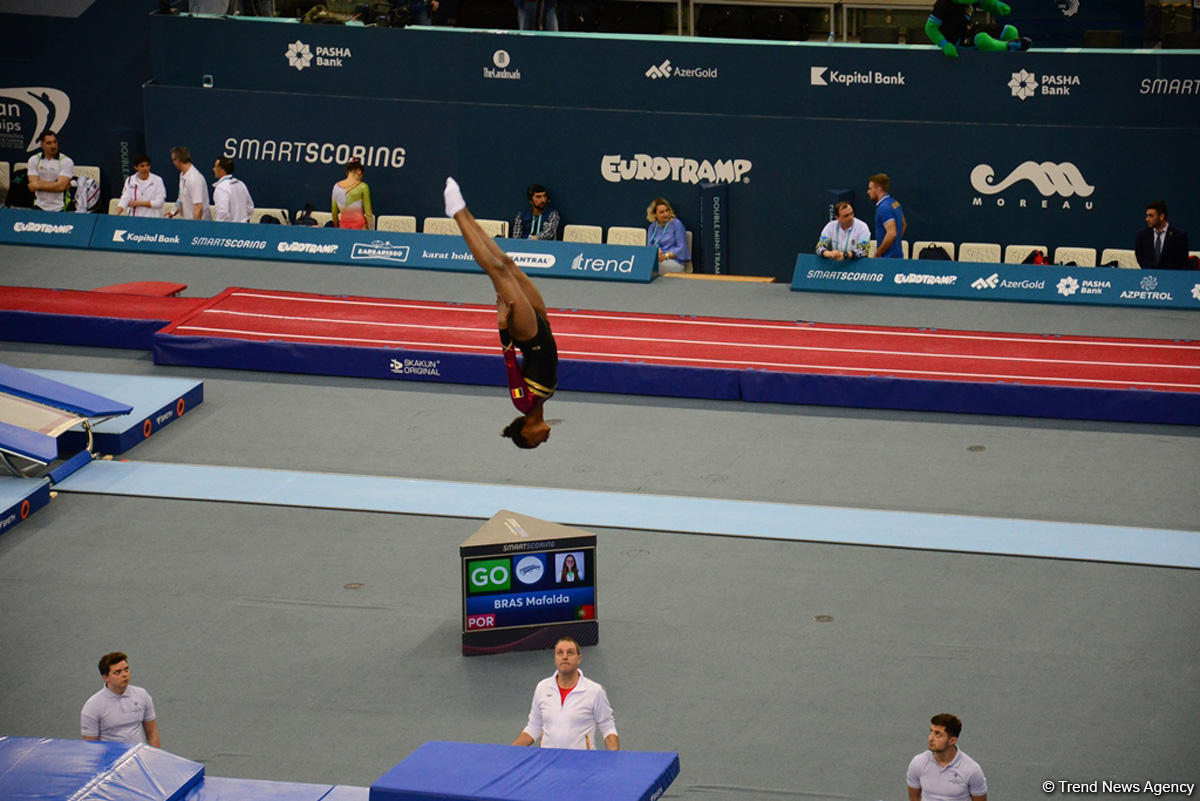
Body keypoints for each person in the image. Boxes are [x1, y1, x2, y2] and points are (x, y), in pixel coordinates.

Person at [444, 177, 557, 449]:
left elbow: (510, 364)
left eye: (536, 443)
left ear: (526, 434)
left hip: (527, 335)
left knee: (498, 270)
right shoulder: (541, 402)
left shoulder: (523, 402)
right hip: (543, 326)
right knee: (508, 263)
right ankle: (465, 211)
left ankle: (458, 215)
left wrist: (502, 325)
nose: (545, 440)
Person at [512, 636, 618, 750]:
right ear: (555, 658)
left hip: (582, 762)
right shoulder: (542, 688)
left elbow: (607, 726)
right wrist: (510, 752)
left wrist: (614, 761)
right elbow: (534, 726)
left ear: (579, 658)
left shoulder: (595, 691)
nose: (565, 657)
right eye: (560, 653)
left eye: (570, 653)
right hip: (548, 760)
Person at [80, 651, 161, 747]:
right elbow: (90, 747)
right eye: (117, 672)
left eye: (126, 670)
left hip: (138, 759)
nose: (124, 675)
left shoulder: (142, 695)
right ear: (106, 677)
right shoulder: (92, 706)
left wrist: (155, 760)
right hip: (110, 760)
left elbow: (152, 735)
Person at [906, 713, 987, 801]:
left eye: (937, 734)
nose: (930, 738)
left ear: (952, 740)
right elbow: (914, 798)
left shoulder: (972, 770)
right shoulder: (918, 763)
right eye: (931, 731)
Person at [926, 0, 1031, 58]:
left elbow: (984, 2)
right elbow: (930, 28)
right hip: (956, 38)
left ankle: (1013, 66)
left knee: (1010, 31)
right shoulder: (944, 4)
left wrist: (996, 5)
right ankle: (1008, 47)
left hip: (971, 29)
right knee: (982, 39)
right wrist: (944, 43)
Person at [27, 130, 74, 212]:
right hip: (38, 206)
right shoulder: (34, 160)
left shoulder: (66, 161)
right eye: (49, 143)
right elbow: (32, 186)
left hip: (60, 207)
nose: (53, 146)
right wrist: (55, 183)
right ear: (41, 145)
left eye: (55, 142)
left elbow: (61, 187)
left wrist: (39, 185)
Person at [1135, 200, 1191, 270]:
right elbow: (1140, 257)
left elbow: (1183, 260)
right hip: (1150, 276)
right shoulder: (1142, 235)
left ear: (1161, 217)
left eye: (1151, 216)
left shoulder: (1179, 236)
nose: (1147, 219)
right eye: (1147, 215)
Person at [867, 174, 906, 259]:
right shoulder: (895, 203)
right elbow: (903, 225)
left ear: (878, 189)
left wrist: (878, 253)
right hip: (898, 257)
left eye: (870, 188)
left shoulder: (883, 208)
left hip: (887, 260)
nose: (868, 192)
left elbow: (892, 234)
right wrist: (896, 244)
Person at [646, 197, 690, 273]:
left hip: (674, 261)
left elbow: (682, 248)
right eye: (661, 212)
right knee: (645, 264)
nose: (665, 214)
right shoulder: (652, 227)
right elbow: (649, 247)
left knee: (648, 267)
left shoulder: (677, 224)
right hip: (657, 260)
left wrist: (665, 256)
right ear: (654, 214)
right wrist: (656, 252)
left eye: (667, 211)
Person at [168, 146, 210, 220]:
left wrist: (194, 227)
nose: (173, 163)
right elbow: (180, 198)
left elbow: (198, 206)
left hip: (200, 225)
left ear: (178, 160)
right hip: (188, 222)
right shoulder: (182, 175)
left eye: (173, 160)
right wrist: (172, 212)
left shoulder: (194, 179)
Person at [332, 159, 374, 230]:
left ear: (347, 172)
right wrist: (371, 230)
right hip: (360, 226)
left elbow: (334, 214)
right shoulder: (362, 186)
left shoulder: (336, 186)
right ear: (359, 171)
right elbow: (368, 213)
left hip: (344, 226)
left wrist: (337, 229)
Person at [212, 157, 254, 223]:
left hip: (228, 231)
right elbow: (250, 207)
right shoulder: (241, 184)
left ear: (222, 171)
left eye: (215, 167)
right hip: (244, 229)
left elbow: (222, 213)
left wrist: (219, 230)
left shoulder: (221, 188)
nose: (213, 169)